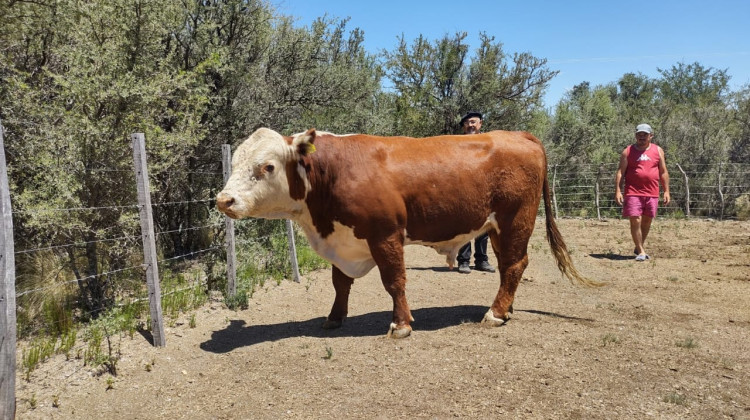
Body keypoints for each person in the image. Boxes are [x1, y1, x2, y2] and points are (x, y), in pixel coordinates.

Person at [614, 123, 671, 261]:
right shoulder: (627, 151)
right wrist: (618, 190)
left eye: (645, 134)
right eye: (639, 134)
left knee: (646, 222)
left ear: (651, 136)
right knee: (635, 220)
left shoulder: (658, 151)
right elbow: (621, 172)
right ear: (635, 136)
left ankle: (638, 245)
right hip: (633, 191)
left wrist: (666, 191)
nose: (642, 137)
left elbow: (663, 172)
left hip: (652, 192)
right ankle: (641, 251)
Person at [456, 111, 496, 274]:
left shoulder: (487, 143)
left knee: (483, 226)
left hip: (483, 189)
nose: (470, 125)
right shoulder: (457, 144)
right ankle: (463, 261)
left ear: (480, 124)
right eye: (467, 123)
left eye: (474, 122)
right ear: (463, 127)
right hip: (462, 190)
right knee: (464, 226)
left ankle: (481, 260)